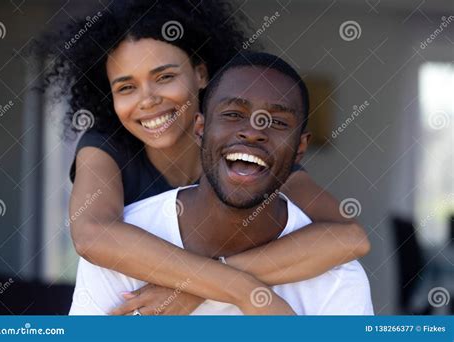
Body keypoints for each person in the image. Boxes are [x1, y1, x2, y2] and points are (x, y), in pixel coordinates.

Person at [39, 0, 370, 315]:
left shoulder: (246, 153)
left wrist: (193, 288)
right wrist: (241, 289)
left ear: (201, 73)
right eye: (126, 87)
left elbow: (348, 237)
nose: (148, 100)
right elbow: (92, 234)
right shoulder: (106, 145)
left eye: (165, 77)